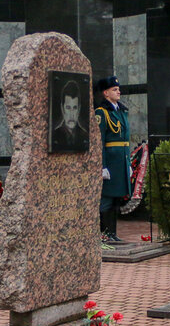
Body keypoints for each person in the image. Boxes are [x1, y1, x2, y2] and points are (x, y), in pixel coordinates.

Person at [94, 76, 131, 244]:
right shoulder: (101, 113)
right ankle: (104, 233)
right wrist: (102, 166)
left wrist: (128, 163)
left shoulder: (121, 111)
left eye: (118, 89)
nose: (118, 92)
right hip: (110, 162)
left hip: (121, 162)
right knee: (106, 199)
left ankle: (112, 233)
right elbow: (99, 141)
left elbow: (126, 139)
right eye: (114, 90)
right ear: (106, 93)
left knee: (116, 199)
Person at [51, 79, 88, 151]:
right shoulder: (55, 135)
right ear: (62, 108)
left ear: (79, 109)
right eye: (68, 108)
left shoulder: (85, 136)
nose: (71, 114)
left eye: (75, 108)